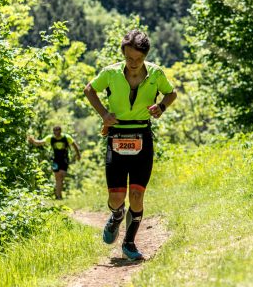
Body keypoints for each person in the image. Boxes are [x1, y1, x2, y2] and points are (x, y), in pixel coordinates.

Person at [84, 29, 177, 261]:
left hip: (142, 136)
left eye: (138, 59)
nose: (133, 63)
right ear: (123, 54)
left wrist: (161, 107)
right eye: (128, 58)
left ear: (145, 55)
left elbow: (171, 93)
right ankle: (116, 216)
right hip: (116, 136)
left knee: (136, 195)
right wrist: (104, 114)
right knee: (117, 198)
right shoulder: (111, 73)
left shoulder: (156, 74)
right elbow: (89, 89)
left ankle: (129, 243)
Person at [28, 125, 81, 200]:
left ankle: (58, 194)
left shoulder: (66, 137)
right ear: (53, 132)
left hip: (64, 159)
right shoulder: (51, 138)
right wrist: (33, 140)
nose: (56, 133)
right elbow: (40, 143)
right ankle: (58, 196)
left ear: (60, 131)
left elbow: (74, 145)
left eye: (58, 131)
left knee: (61, 176)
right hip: (55, 160)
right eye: (55, 131)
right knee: (57, 177)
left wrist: (78, 155)